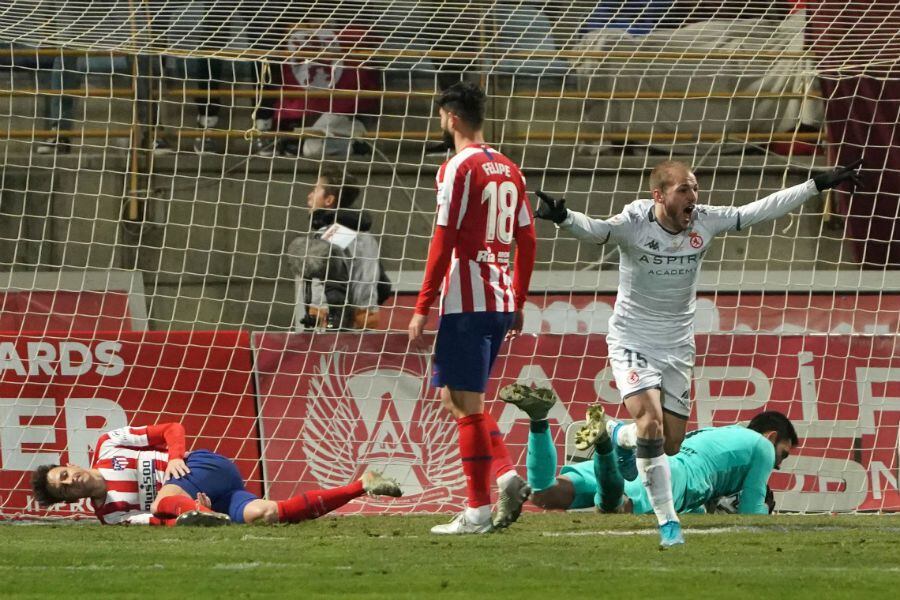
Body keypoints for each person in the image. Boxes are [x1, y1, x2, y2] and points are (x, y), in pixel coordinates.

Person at [533, 158, 861, 545]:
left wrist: (815, 185)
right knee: (650, 424)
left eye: (695, 188)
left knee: (670, 444)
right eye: (684, 189)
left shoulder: (705, 220)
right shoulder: (635, 221)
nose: (694, 196)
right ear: (659, 196)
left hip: (677, 346)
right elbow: (598, 231)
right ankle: (668, 523)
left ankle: (614, 432)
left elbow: (757, 211)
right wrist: (564, 217)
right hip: (632, 339)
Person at [408, 81, 538, 534]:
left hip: (466, 300)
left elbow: (442, 238)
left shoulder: (457, 168)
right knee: (457, 399)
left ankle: (479, 508)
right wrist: (519, 298)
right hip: (499, 299)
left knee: (465, 405)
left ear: (452, 118)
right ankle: (505, 479)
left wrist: (422, 304)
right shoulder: (511, 168)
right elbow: (528, 239)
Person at [499, 384, 793, 524]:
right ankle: (606, 444)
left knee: (545, 494)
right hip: (676, 476)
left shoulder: (718, 434)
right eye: (783, 454)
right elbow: (752, 512)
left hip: (656, 459)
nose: (778, 464)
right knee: (614, 509)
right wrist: (767, 514)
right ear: (771, 437)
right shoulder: (762, 447)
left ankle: (539, 419)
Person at [30, 422, 402, 526]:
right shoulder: (110, 515)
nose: (70, 482)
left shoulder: (109, 444)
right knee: (266, 513)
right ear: (71, 500)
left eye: (64, 475)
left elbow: (172, 428)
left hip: (205, 466)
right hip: (208, 501)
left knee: (162, 499)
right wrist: (190, 511)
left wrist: (175, 457)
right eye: (64, 490)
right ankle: (363, 485)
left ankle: (205, 516)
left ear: (70, 465)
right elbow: (159, 521)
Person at [286, 164, 389, 330]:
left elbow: (334, 282)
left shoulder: (332, 234)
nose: (309, 196)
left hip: (331, 322)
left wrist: (333, 324)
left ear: (329, 200)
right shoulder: (366, 236)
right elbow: (383, 285)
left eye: (315, 190)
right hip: (367, 319)